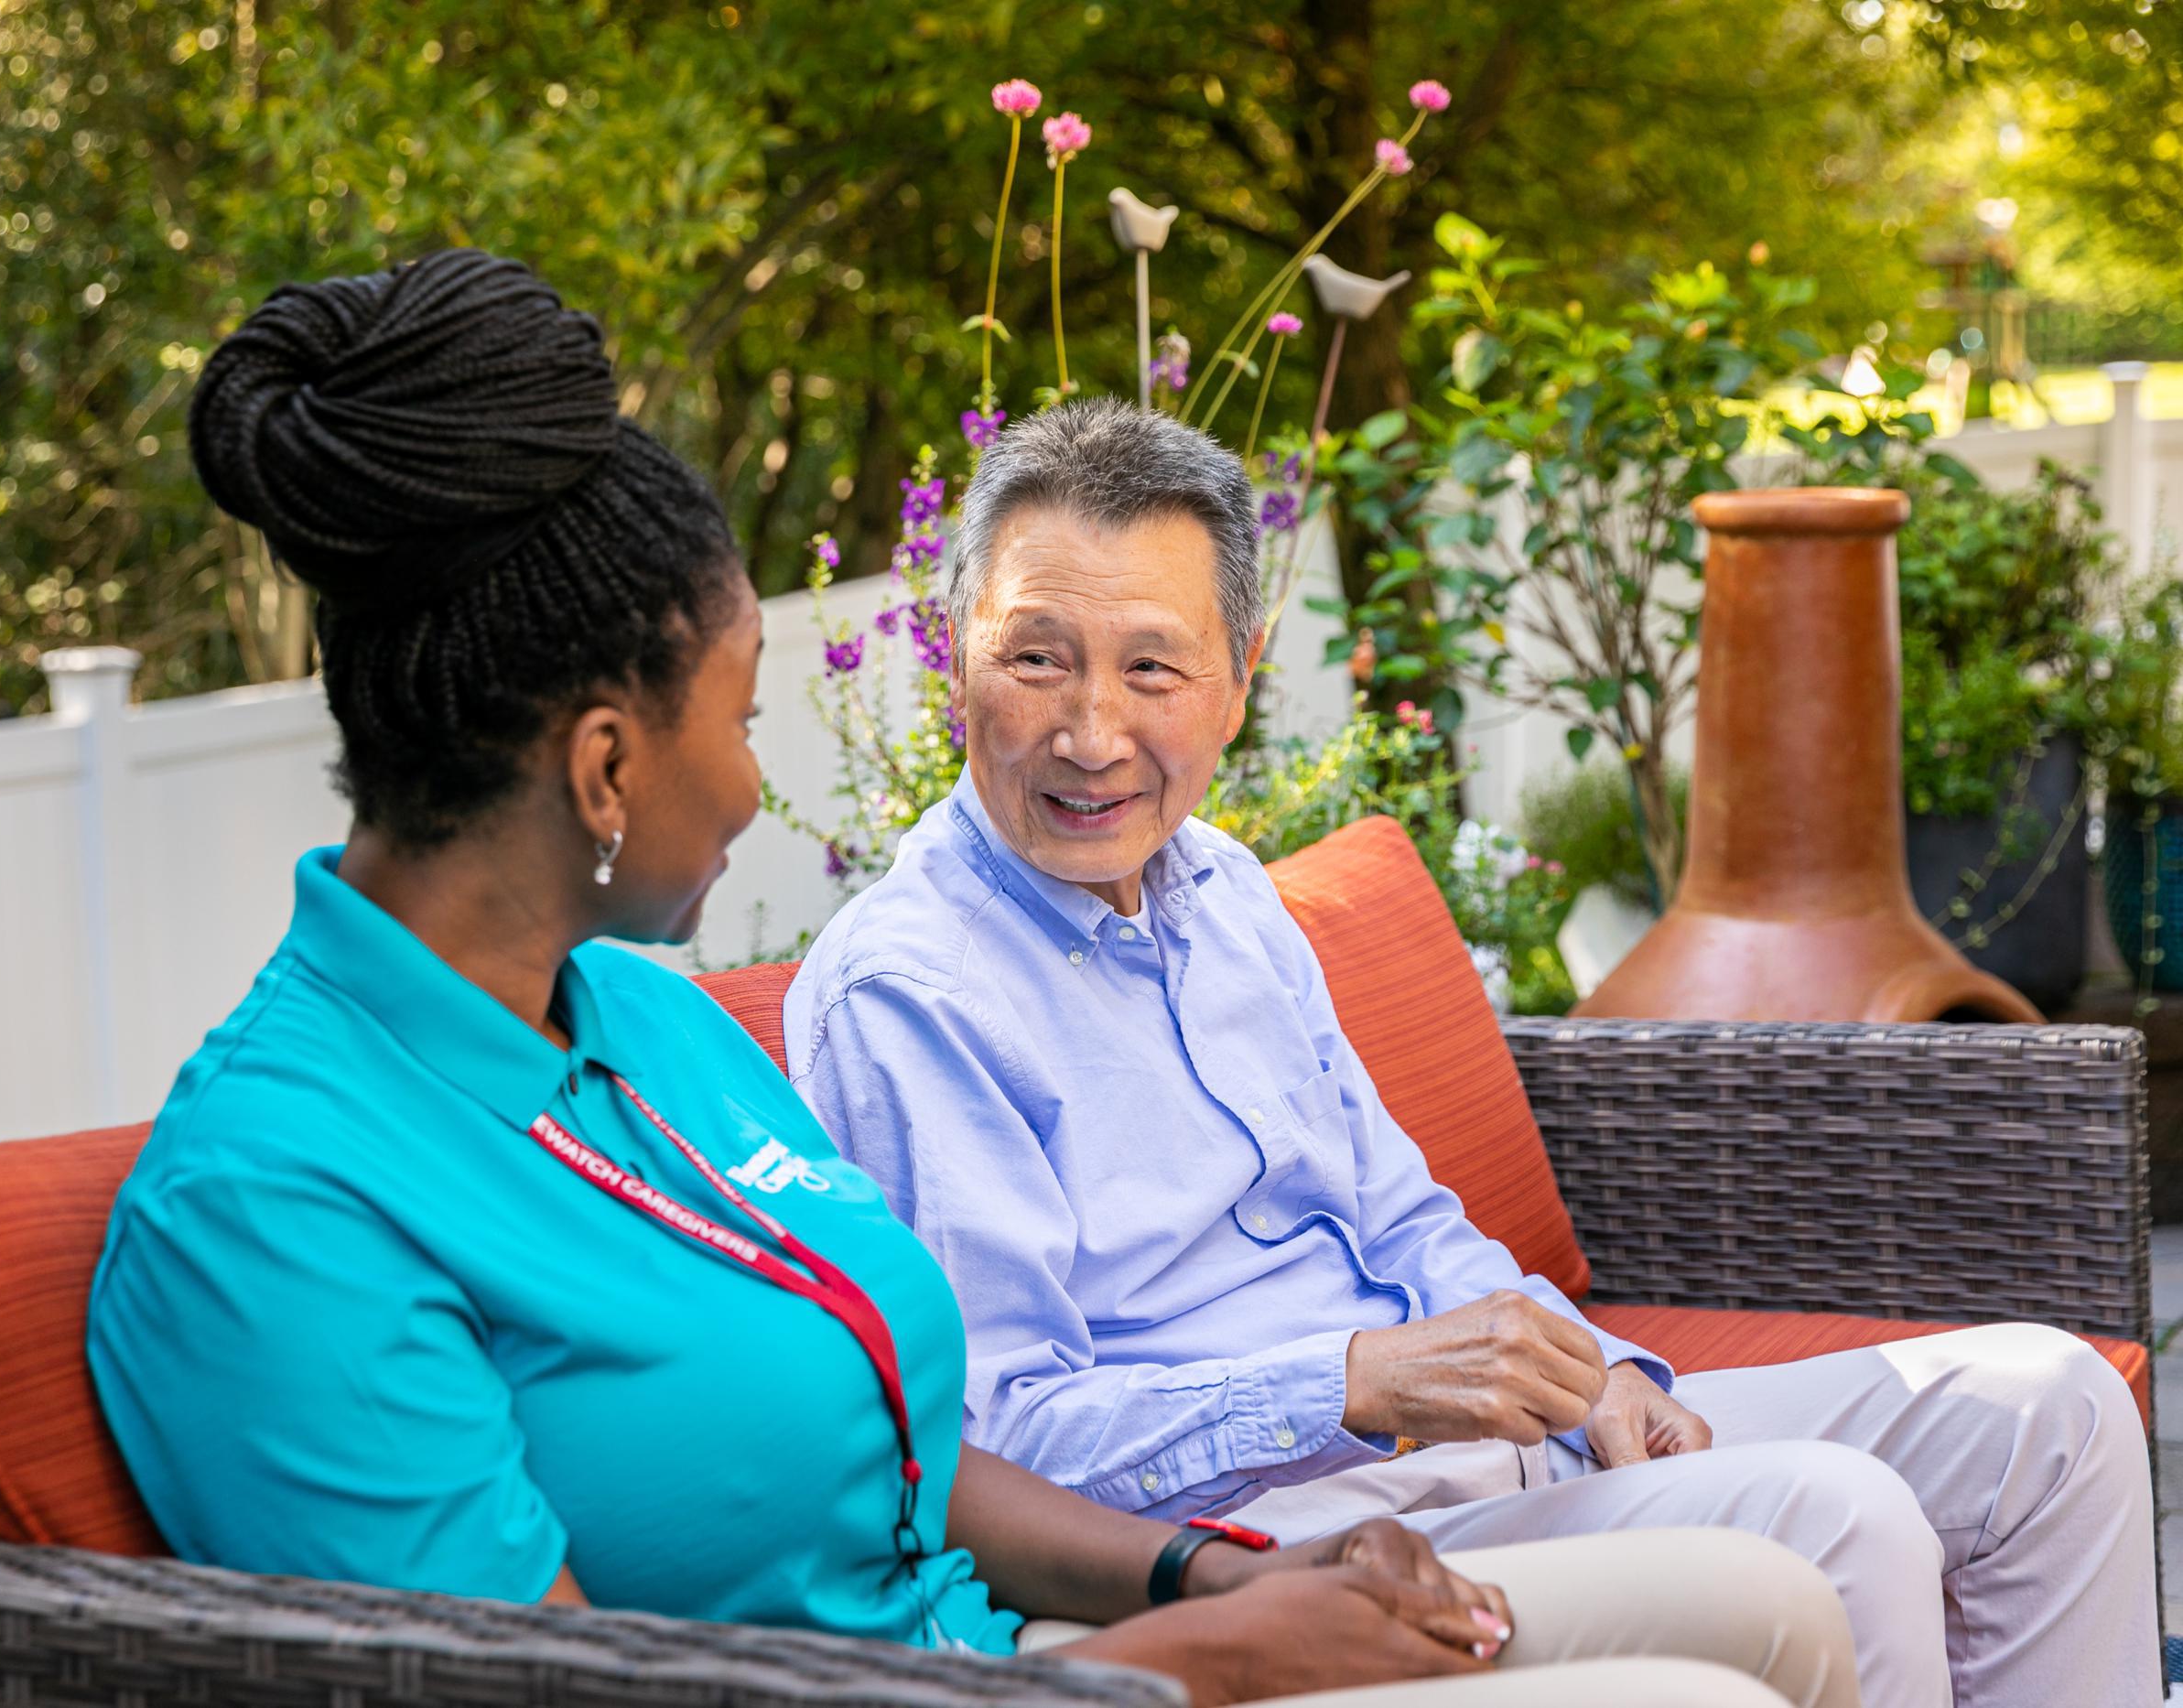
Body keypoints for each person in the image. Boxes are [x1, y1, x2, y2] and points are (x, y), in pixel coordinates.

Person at [84, 251, 1858, 1708]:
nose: (765, 787)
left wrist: (1219, 1571)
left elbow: (925, 1457)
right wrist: (1197, 1654)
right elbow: (550, 1683)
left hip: (1042, 1645)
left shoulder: (641, 1031)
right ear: (606, 772)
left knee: (1779, 1606)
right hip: (1021, 1689)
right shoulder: (275, 1203)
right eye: (744, 718)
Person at [784, 397, 2161, 1708]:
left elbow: (1405, 1220)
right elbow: (1003, 1439)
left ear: (1238, 684)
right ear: (955, 649)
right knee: (1843, 1521)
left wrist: (1606, 1374)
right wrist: (1357, 1383)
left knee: (2046, 1410)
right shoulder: (911, 993)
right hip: (1281, 1529)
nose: (1091, 731)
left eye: (1152, 666)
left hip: (1470, 1451)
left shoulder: (1227, 897)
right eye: (1037, 657)